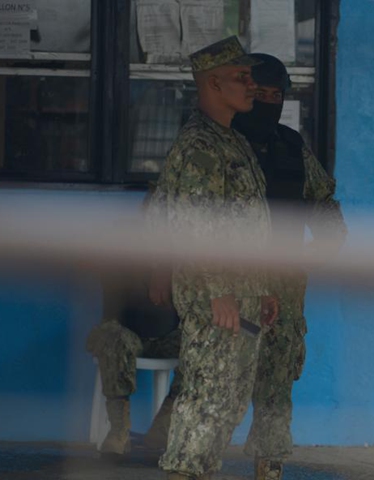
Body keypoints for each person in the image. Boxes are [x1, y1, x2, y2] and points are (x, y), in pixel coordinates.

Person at [151, 36, 279, 480]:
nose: (252, 86)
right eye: (241, 78)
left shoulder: (233, 142)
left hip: (241, 295)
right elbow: (194, 226)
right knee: (206, 398)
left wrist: (261, 287)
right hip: (215, 298)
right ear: (212, 83)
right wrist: (220, 292)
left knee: (228, 400)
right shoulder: (200, 146)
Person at [230, 53, 347, 480]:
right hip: (228, 286)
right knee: (218, 378)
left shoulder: (291, 148)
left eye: (274, 95)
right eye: (256, 93)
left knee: (277, 384)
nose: (265, 102)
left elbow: (327, 215)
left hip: (284, 292)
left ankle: (269, 466)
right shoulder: (217, 144)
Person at [85, 185, 181, 457]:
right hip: (126, 330)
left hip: (167, 336)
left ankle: (161, 429)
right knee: (113, 337)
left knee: (206, 346)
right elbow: (113, 310)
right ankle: (119, 432)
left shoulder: (186, 248)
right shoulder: (124, 243)